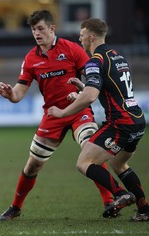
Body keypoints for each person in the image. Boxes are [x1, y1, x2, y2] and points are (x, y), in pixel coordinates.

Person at [0, 10, 114, 221]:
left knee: (90, 150)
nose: (36, 33)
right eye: (33, 30)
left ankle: (109, 201)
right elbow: (18, 94)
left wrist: (83, 91)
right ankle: (15, 206)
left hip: (78, 110)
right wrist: (9, 94)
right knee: (33, 165)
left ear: (52, 28)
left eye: (40, 28)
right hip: (53, 115)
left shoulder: (72, 49)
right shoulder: (31, 58)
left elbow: (94, 79)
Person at [48, 18, 149, 221]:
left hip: (120, 123)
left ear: (91, 37)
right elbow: (111, 89)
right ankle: (144, 210)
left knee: (84, 162)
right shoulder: (117, 55)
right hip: (137, 120)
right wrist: (83, 88)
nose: (80, 38)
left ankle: (121, 195)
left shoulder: (95, 61)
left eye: (82, 34)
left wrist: (61, 112)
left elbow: (92, 96)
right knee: (119, 165)